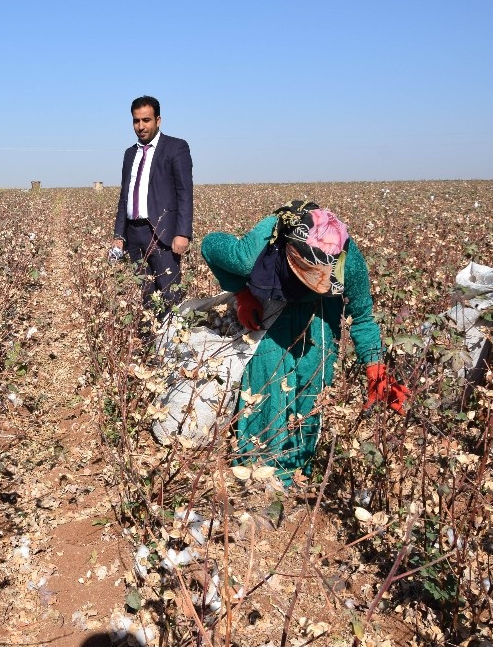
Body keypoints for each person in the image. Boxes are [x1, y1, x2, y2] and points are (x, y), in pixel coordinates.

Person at [200, 200, 409, 483]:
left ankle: (296, 468)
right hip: (272, 292)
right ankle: (259, 468)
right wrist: (241, 293)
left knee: (313, 374)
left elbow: (362, 316)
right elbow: (210, 245)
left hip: (321, 307)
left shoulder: (349, 261)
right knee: (267, 375)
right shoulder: (251, 254)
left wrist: (375, 366)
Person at [112, 95, 194, 314]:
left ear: (158, 120)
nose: (141, 126)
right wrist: (119, 236)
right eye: (136, 121)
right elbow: (124, 196)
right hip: (133, 235)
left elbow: (185, 192)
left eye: (146, 120)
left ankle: (173, 346)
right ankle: (152, 344)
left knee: (170, 295)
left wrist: (183, 232)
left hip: (162, 234)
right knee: (145, 295)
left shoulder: (176, 148)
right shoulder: (130, 154)